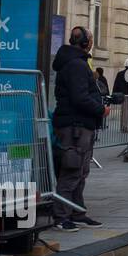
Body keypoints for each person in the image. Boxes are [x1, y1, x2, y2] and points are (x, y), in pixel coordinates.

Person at [51, 26, 109, 231]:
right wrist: (100, 109)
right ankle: (62, 216)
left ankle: (77, 211)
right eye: (90, 38)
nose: (92, 42)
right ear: (85, 42)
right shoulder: (76, 64)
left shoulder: (76, 62)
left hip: (80, 124)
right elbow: (79, 97)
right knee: (71, 170)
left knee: (81, 171)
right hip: (74, 126)